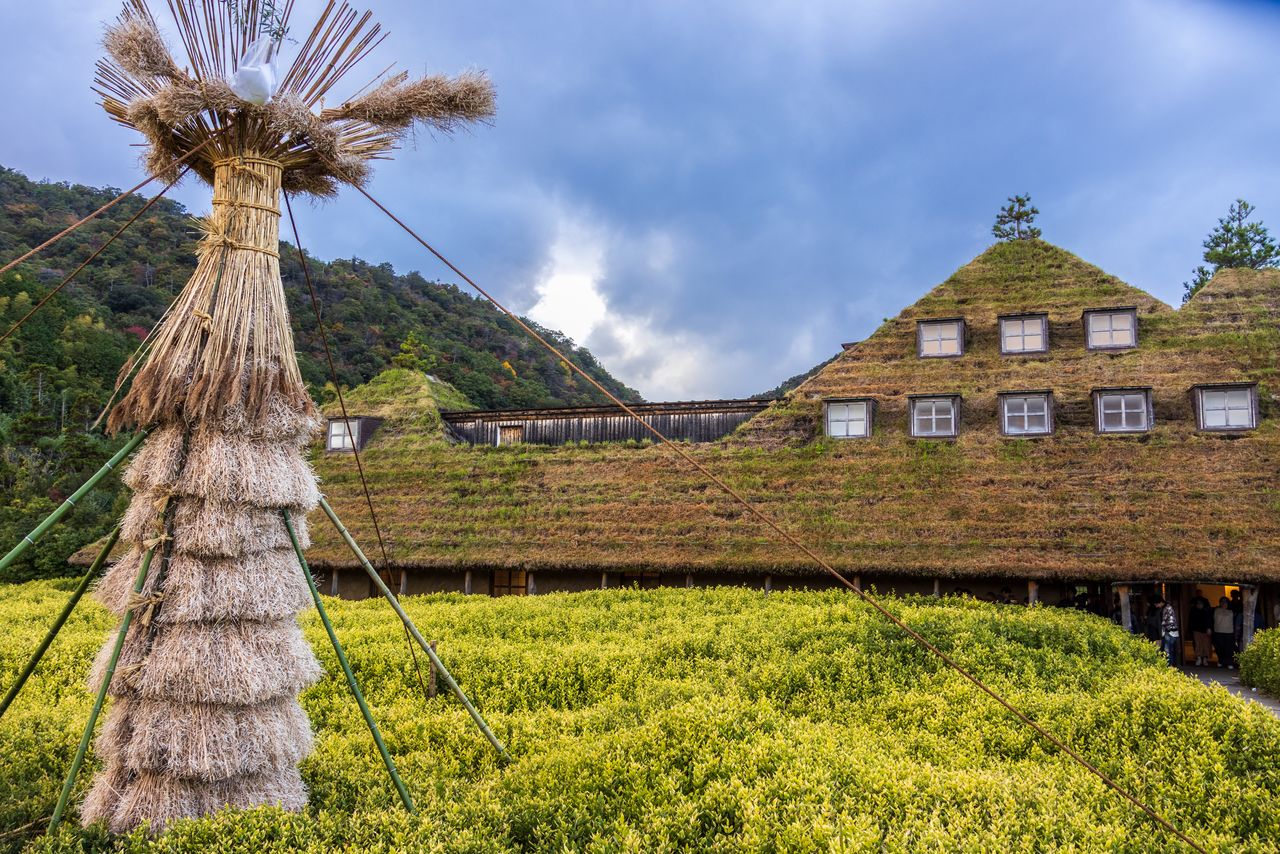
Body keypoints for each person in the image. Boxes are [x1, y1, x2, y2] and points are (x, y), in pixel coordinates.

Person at [1212, 596, 1236, 669]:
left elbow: (1235, 621)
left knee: (1228, 648)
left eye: (1225, 602)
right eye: (1222, 602)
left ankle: (1229, 662)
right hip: (1218, 631)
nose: (1223, 603)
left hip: (1229, 632)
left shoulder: (1232, 611)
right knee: (1219, 648)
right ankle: (1221, 661)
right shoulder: (1216, 610)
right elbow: (1211, 620)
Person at [1188, 595, 1213, 666]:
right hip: (1196, 630)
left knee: (1206, 644)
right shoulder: (1193, 610)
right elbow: (1190, 621)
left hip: (1206, 630)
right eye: (1197, 603)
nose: (1199, 605)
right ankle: (1199, 658)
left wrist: (1209, 628)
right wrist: (1190, 630)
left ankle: (1205, 659)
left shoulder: (1207, 610)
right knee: (1198, 644)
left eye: (1200, 603)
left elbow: (1210, 620)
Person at [1155, 595, 1180, 666]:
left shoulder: (1168, 608)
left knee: (1168, 651)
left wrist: (1164, 626)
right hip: (1168, 632)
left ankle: (1170, 667)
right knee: (1168, 651)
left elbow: (1170, 621)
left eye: (1157, 604)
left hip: (1169, 632)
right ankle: (1171, 667)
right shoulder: (1165, 608)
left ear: (1160, 602)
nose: (1157, 606)